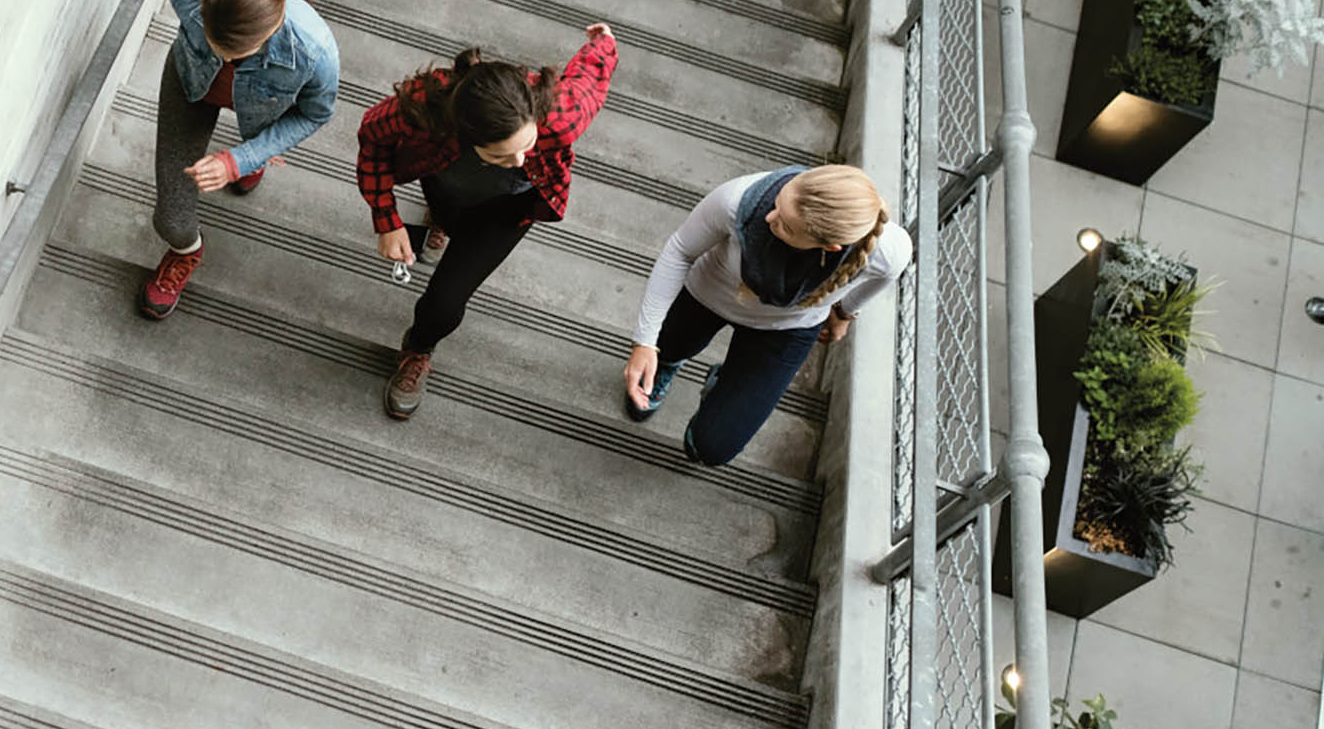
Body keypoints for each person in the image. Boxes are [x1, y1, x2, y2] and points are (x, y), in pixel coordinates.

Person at [357, 24, 618, 419]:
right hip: (444, 178)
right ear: (463, 133)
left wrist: (603, 43)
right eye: (502, 154)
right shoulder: (423, 109)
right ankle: (441, 223)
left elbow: (589, 81)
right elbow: (372, 138)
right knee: (446, 207)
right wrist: (386, 219)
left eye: (528, 146)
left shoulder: (559, 117)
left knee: (444, 303)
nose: (520, 162)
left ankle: (419, 347)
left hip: (509, 209)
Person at [622, 165, 912, 466]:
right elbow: (680, 250)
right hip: (708, 296)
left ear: (829, 247)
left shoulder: (885, 249)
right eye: (777, 204)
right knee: (669, 345)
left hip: (787, 327)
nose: (770, 217)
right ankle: (670, 360)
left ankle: (727, 384)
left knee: (709, 448)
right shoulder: (737, 202)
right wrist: (645, 342)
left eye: (785, 226)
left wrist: (844, 312)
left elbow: (886, 274)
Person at [140, 0, 340, 319]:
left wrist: (241, 158)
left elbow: (315, 115)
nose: (225, 60)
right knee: (171, 219)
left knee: (255, 149)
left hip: (267, 105)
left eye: (234, 52)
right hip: (190, 86)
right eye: (213, 44)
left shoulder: (315, 53)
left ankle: (254, 156)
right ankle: (187, 251)